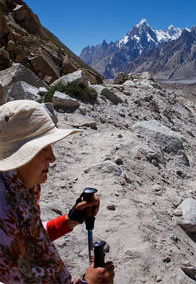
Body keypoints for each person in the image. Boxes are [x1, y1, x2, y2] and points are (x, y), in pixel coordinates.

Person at [0, 100, 115, 283]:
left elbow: (30, 238)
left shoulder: (17, 189)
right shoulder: (4, 216)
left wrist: (69, 220)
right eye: (43, 148)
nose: (52, 158)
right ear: (21, 156)